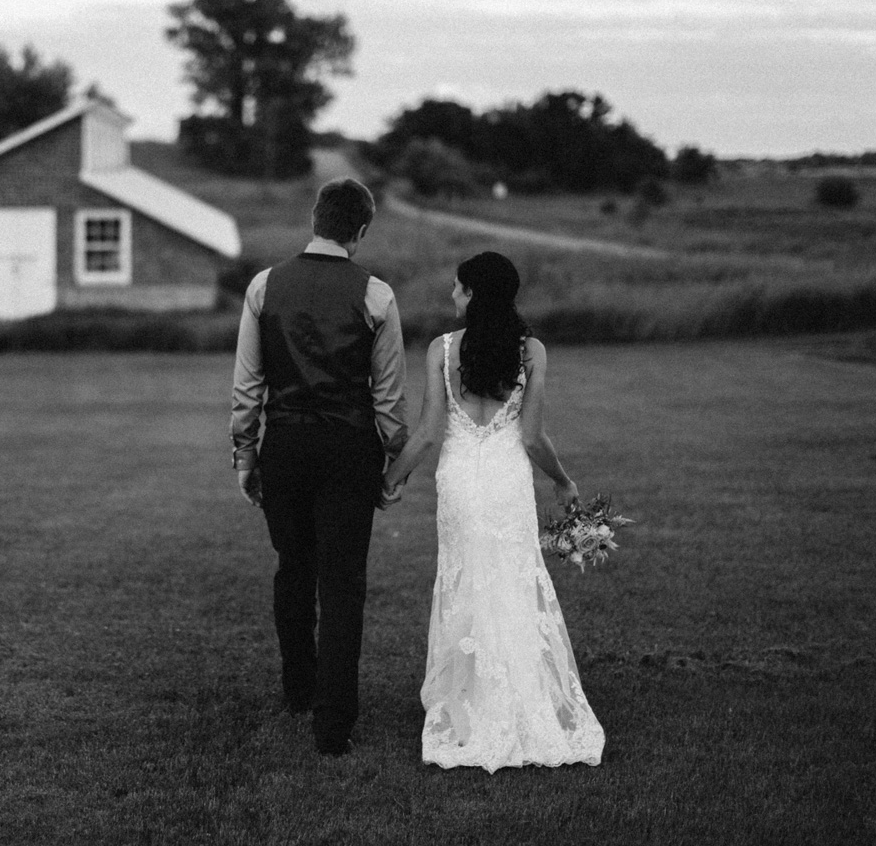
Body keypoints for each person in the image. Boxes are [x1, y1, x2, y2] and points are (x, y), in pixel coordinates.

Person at [381, 251, 604, 771]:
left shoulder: (442, 349)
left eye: (459, 288)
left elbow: (430, 432)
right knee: (511, 582)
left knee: (464, 584)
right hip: (506, 481)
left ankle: (470, 707)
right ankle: (519, 702)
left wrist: (390, 479)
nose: (453, 297)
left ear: (475, 294)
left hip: (459, 481)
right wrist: (563, 481)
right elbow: (531, 436)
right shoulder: (532, 352)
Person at [230, 177, 408, 756]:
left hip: (284, 446)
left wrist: (244, 453)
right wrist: (393, 464)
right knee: (342, 584)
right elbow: (388, 400)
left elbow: (248, 384)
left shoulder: (263, 286)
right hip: (349, 449)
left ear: (314, 219)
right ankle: (333, 723)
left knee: (293, 568)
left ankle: (299, 690)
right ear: (360, 231)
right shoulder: (376, 294)